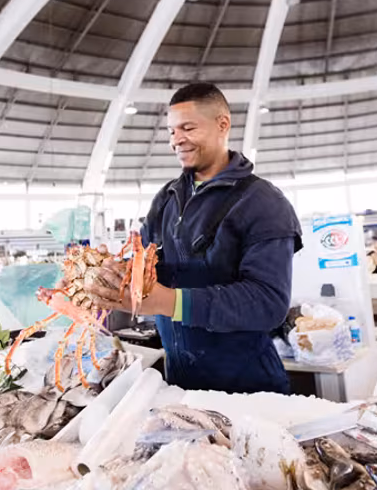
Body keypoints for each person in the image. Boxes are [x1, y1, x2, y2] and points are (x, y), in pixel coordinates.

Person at [86, 83, 302, 394]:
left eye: (187, 128)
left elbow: (268, 303)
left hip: (249, 388)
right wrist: (111, 275)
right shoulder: (167, 198)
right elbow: (144, 264)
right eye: (172, 131)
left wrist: (168, 301)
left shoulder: (264, 203)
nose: (177, 140)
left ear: (222, 124)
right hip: (180, 385)